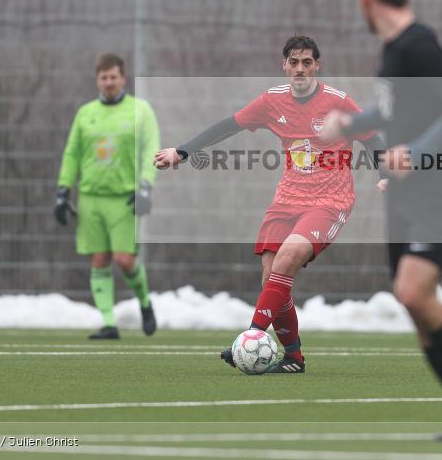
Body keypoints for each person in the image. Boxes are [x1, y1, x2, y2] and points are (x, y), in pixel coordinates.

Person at [321, 0, 442, 440]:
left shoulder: (419, 44)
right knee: (412, 302)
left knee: (414, 291)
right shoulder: (394, 52)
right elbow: (394, 109)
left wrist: (416, 152)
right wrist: (349, 124)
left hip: (441, 186)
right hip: (406, 193)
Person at [155, 35, 388, 373]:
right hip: (287, 198)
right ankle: (293, 358)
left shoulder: (339, 103)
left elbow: (373, 139)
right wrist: (182, 152)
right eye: (294, 62)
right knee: (271, 280)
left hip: (329, 201)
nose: (300, 69)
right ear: (284, 65)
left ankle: (250, 337)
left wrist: (385, 173)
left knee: (287, 259)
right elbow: (229, 126)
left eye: (306, 62)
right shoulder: (271, 101)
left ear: (317, 66)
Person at [55, 53, 160, 340]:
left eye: (113, 77)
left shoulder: (140, 111)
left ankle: (145, 302)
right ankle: (108, 323)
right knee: (99, 259)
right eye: (104, 77)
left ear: (122, 78)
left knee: (124, 260)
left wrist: (146, 186)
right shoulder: (85, 113)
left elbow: (151, 149)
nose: (109, 82)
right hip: (91, 197)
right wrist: (63, 190)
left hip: (124, 197)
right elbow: (72, 153)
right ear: (97, 80)